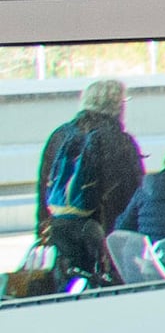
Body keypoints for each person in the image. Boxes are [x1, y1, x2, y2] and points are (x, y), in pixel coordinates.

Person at [31, 71, 146, 284]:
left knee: (65, 289)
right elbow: (133, 196)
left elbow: (43, 189)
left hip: (61, 235)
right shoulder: (120, 141)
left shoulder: (59, 135)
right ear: (118, 106)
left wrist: (43, 232)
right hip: (103, 240)